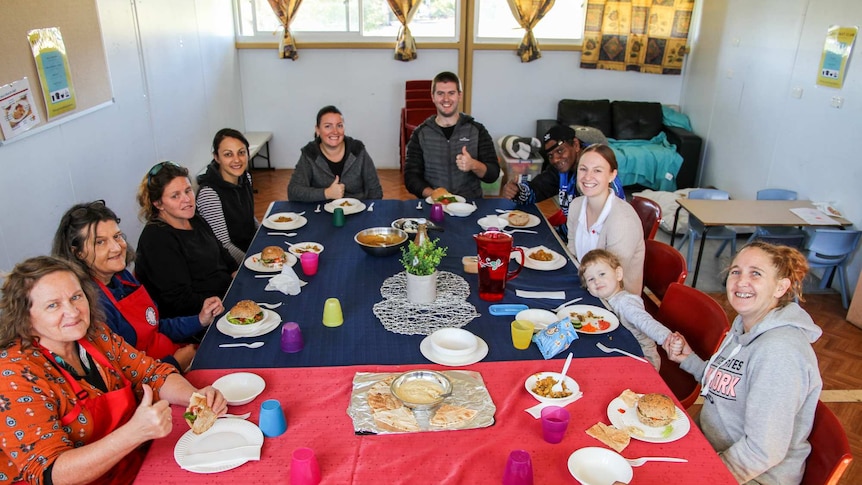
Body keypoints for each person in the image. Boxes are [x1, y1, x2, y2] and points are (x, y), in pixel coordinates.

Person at [0, 256, 227, 485]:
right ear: (25, 318)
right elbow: (51, 473)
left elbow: (152, 374)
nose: (73, 312)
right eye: (53, 305)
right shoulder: (13, 374)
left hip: (128, 465)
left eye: (76, 297)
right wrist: (134, 433)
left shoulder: (95, 335)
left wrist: (196, 397)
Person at [663, 241, 822, 484]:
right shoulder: (744, 326)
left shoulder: (779, 352)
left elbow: (762, 452)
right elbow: (729, 383)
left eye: (755, 274)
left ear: (780, 287)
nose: (740, 281)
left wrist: (703, 474)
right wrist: (688, 359)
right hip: (711, 448)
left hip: (754, 476)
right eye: (736, 271)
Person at [52, 200, 224, 371]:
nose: (116, 248)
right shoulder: (91, 305)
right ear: (78, 253)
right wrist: (175, 363)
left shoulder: (122, 277)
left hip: (174, 356)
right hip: (159, 378)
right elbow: (121, 375)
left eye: (117, 236)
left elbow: (155, 326)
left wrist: (200, 319)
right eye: (100, 242)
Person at [135, 161, 238, 318]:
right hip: (202, 315)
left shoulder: (195, 219)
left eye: (188, 191)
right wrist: (228, 300)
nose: (187, 199)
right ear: (158, 203)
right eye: (175, 196)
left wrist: (236, 274)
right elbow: (179, 301)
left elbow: (222, 253)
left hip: (227, 295)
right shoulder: (156, 240)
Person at [501, 125, 625, 238]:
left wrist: (556, 234)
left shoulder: (594, 176)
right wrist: (518, 191)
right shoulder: (562, 168)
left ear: (576, 145)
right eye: (550, 155)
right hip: (573, 235)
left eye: (560, 150)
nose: (555, 159)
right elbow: (538, 188)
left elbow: (598, 226)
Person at [403, 71, 500, 200]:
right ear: (433, 97)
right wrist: (435, 196)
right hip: (432, 207)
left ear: (459, 96)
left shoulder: (477, 130)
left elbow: (493, 174)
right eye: (440, 93)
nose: (446, 99)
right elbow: (410, 177)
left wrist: (473, 165)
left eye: (451, 93)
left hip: (470, 205)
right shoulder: (420, 134)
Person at [566, 144, 644, 293]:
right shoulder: (576, 206)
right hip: (585, 285)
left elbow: (610, 280)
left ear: (612, 175)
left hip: (613, 302)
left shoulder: (622, 220)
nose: (588, 177)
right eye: (583, 169)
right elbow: (572, 253)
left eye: (597, 170)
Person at [579, 249, 671, 370]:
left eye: (602, 274)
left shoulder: (625, 302)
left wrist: (667, 338)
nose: (597, 281)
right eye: (590, 279)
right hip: (619, 348)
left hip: (643, 358)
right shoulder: (604, 299)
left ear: (618, 274)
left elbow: (645, 322)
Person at [288, 105, 383, 202]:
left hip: (358, 210)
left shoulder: (357, 150)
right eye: (328, 126)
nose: (335, 131)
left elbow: (375, 190)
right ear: (317, 129)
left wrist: (368, 212)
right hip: (322, 212)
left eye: (339, 125)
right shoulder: (310, 153)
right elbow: (293, 192)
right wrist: (326, 193)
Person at [197, 128, 258, 264]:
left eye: (241, 153)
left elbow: (250, 219)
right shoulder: (209, 194)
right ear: (216, 157)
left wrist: (265, 236)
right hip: (229, 263)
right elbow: (224, 245)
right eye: (228, 154)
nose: (237, 160)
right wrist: (256, 263)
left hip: (249, 251)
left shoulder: (246, 177)